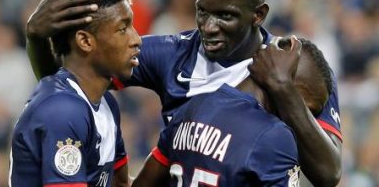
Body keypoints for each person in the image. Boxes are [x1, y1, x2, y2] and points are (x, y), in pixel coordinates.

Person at [25, 0, 341, 186]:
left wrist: (283, 90)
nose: (209, 27)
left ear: (258, 15)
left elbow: (329, 173)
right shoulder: (173, 54)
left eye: (225, 16)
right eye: (202, 11)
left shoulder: (296, 66)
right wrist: (37, 39)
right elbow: (70, 89)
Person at [131, 36, 330, 186]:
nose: (308, 122)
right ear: (286, 85)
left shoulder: (192, 106)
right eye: (308, 110)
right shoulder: (274, 135)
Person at [10, 0, 142, 187]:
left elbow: (121, 183)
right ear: (85, 41)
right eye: (122, 29)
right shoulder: (62, 110)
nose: (136, 39)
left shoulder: (106, 103)